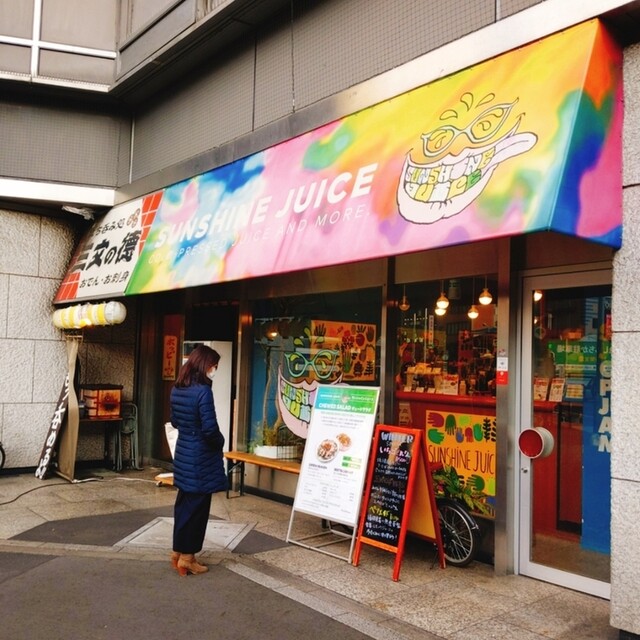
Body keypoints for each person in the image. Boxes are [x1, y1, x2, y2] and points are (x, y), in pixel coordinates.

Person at [169, 344, 227, 576]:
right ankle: (188, 558)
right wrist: (220, 442)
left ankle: (177, 552)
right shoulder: (203, 391)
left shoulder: (178, 387)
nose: (215, 370)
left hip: (184, 453)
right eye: (214, 365)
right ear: (206, 365)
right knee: (198, 510)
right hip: (201, 457)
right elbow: (210, 429)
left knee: (184, 506)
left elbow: (175, 421)